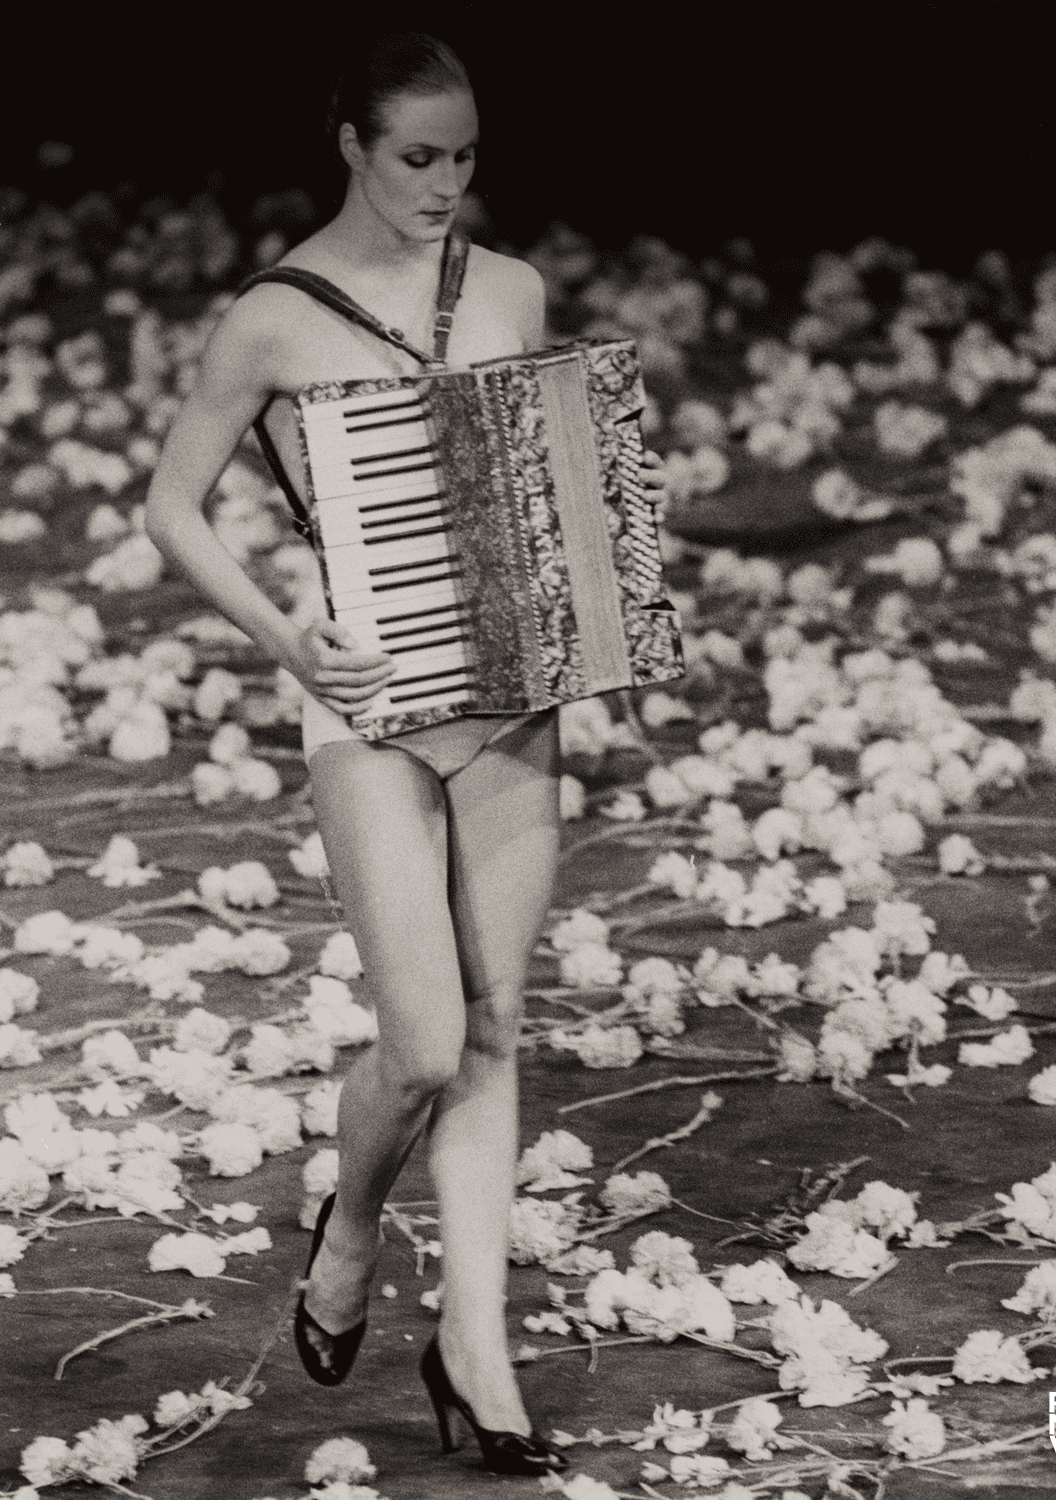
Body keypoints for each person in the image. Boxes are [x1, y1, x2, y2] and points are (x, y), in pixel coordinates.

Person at [146, 31, 665, 1478]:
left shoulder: (510, 290)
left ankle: (475, 1353)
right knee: (423, 1038)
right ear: (352, 147)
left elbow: (542, 479)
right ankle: (356, 1220)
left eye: (466, 156)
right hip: (364, 694)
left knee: (495, 1029)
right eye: (418, 156)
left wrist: (600, 584)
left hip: (507, 693)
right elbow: (171, 506)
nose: (446, 182)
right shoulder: (273, 318)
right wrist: (282, 635)